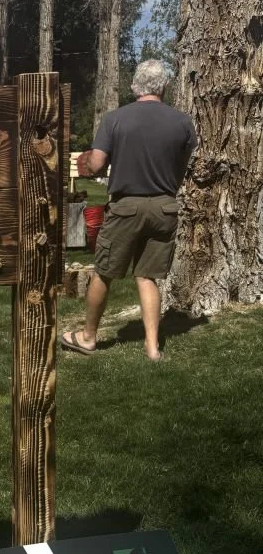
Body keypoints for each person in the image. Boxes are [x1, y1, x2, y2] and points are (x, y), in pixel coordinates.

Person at [62, 59, 197, 362]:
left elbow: (95, 164)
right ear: (164, 86)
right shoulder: (182, 122)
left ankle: (87, 337)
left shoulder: (115, 119)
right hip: (165, 206)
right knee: (148, 276)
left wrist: (85, 162)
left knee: (104, 273)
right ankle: (152, 347)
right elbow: (182, 165)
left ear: (135, 85)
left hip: (125, 205)